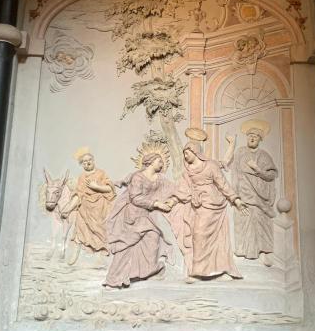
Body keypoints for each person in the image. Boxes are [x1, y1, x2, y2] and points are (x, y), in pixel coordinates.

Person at [172, 141, 248, 281]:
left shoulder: (211, 165)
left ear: (195, 151)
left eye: (187, 153)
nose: (185, 156)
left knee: (201, 234)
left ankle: (206, 272)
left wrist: (236, 199)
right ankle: (202, 271)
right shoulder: (188, 170)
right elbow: (183, 188)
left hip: (212, 204)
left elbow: (222, 184)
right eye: (184, 154)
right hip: (198, 204)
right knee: (198, 235)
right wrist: (173, 201)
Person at [103, 153, 174, 288]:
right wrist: (156, 204)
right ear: (151, 162)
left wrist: (173, 200)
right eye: (159, 161)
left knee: (153, 238)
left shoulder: (159, 178)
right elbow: (135, 198)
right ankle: (113, 280)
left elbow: (173, 189)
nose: (162, 164)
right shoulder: (138, 177)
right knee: (126, 245)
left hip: (146, 216)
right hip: (133, 215)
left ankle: (144, 271)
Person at [223, 119, 278, 265]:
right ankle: (242, 250)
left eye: (255, 136)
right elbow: (231, 168)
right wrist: (232, 143)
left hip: (259, 196)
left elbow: (271, 175)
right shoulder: (240, 152)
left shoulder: (264, 155)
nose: (252, 138)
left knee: (260, 222)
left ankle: (263, 252)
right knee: (242, 222)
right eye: (250, 136)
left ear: (260, 139)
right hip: (242, 194)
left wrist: (257, 169)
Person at [68, 149, 115, 255]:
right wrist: (69, 209)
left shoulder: (101, 173)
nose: (88, 162)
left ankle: (104, 246)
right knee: (81, 224)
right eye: (85, 161)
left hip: (99, 206)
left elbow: (110, 189)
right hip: (85, 208)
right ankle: (88, 249)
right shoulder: (82, 177)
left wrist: (96, 187)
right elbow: (79, 194)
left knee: (99, 227)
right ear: (82, 164)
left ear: (93, 161)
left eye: (89, 160)